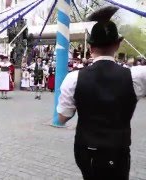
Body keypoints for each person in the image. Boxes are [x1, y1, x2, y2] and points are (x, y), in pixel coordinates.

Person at [57, 6, 146, 180]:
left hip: (86, 150)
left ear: (90, 48)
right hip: (117, 151)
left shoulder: (73, 78)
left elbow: (62, 117)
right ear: (117, 44)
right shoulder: (137, 76)